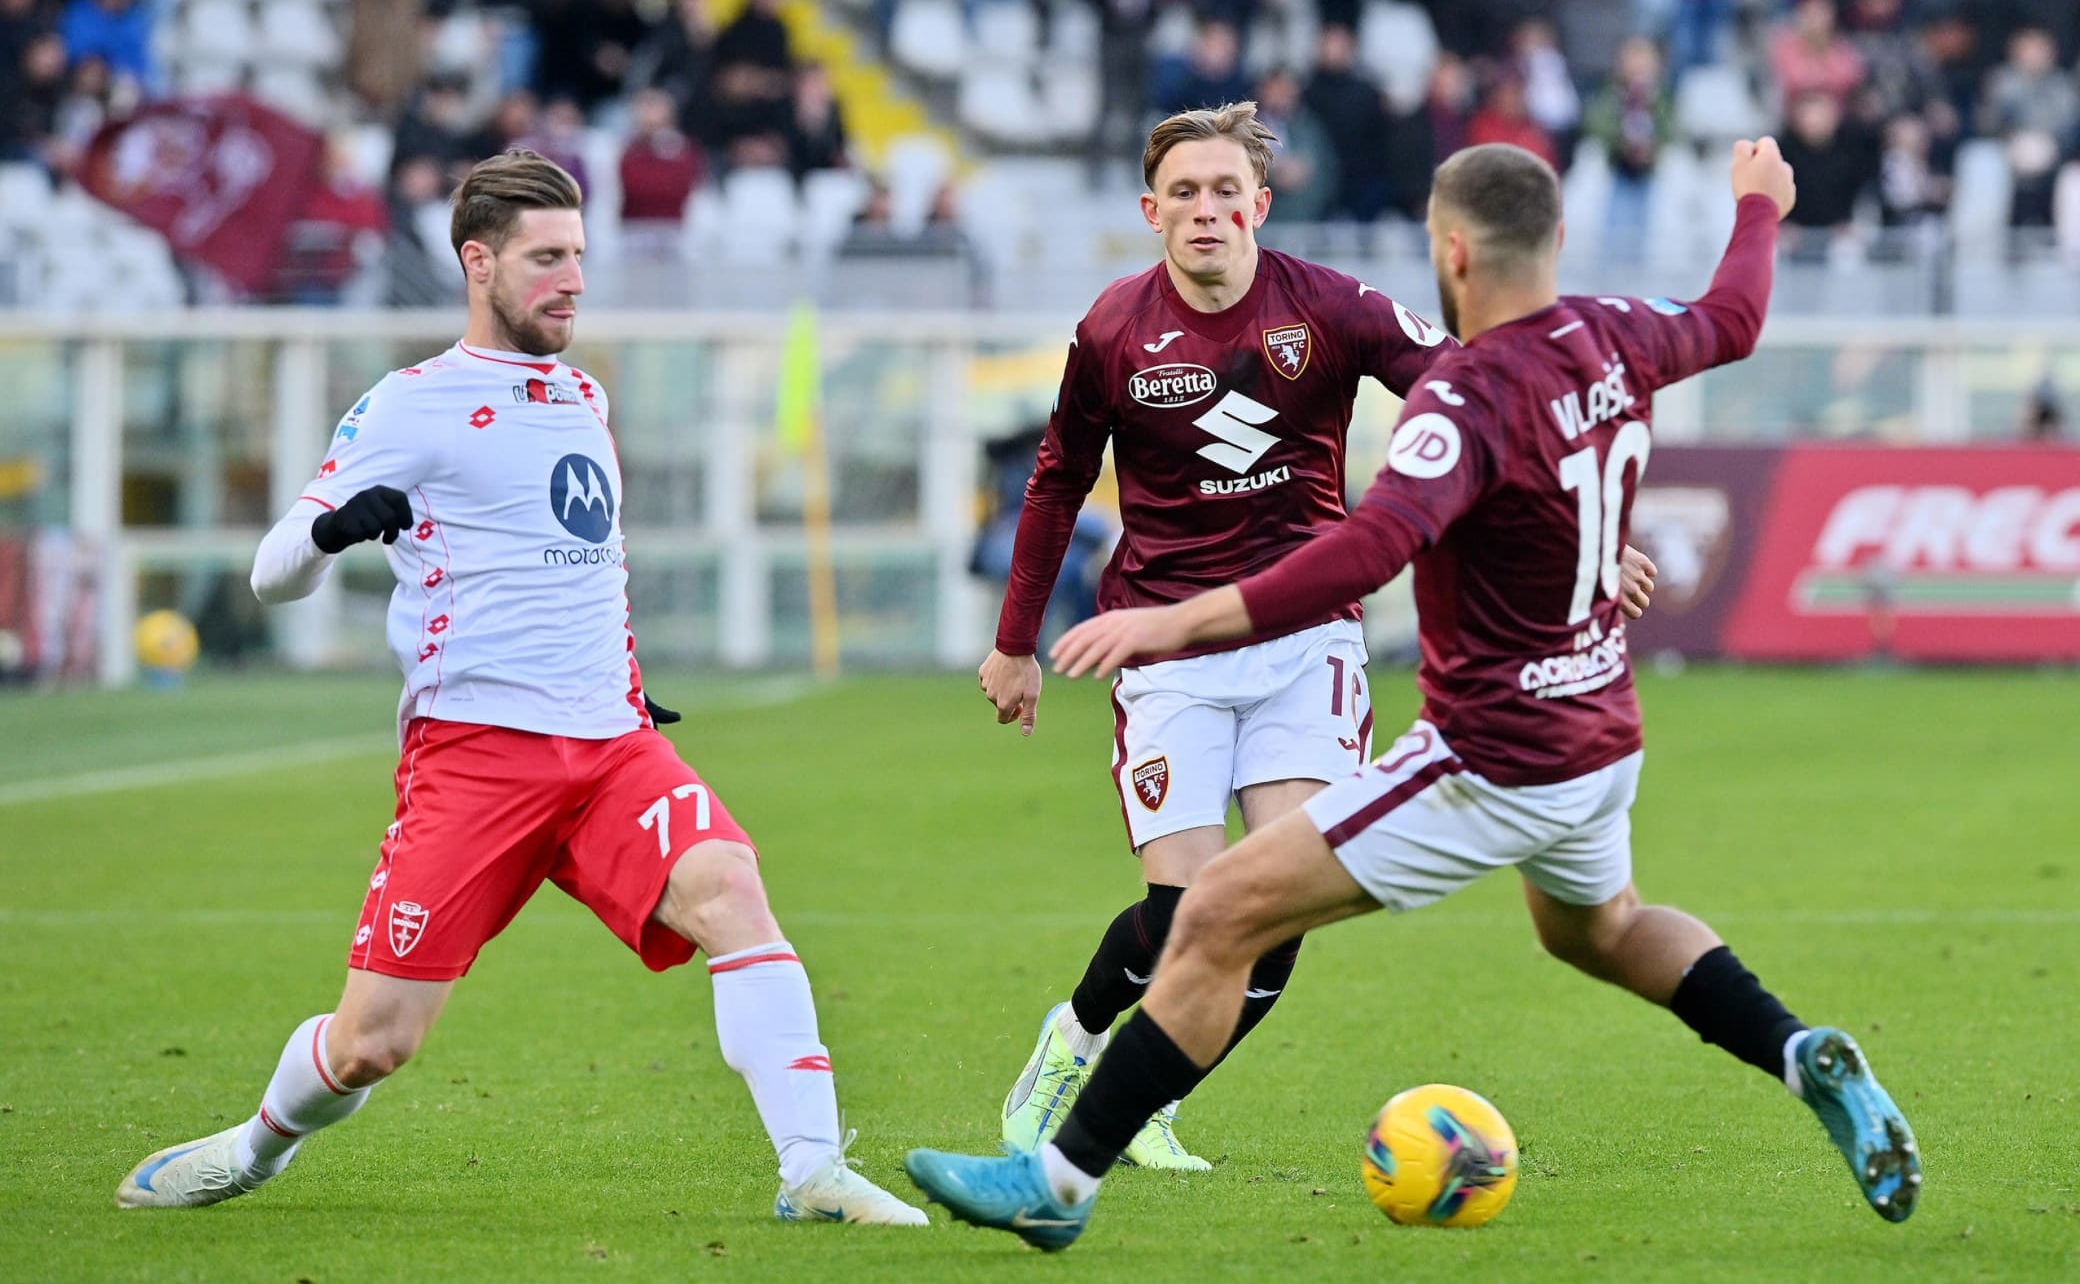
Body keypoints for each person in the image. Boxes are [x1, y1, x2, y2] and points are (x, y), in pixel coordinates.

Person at [911, 139, 1922, 1250]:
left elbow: (1362, 554)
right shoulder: (1617, 333)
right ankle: (1797, 1048)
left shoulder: (1461, 403)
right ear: (1557, 242)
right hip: (1599, 735)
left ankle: (1056, 1182)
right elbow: (1732, 316)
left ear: (1449, 252)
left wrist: (1171, 619)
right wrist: (1756, 209)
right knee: (1605, 929)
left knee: (1213, 913)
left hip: (1488, 759)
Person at [114, 150, 927, 1228]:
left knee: (731, 892)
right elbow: (269, 574)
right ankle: (255, 1147)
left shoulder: (582, 393)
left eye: (579, 258)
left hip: (610, 751)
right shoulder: (410, 405)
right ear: (478, 261)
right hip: (476, 761)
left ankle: (812, 1171)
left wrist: (622, 681)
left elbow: (585, 563)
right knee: (374, 1045)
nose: (571, 280)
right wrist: (329, 530)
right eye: (546, 259)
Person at [977, 101, 1655, 1171]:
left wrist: (1573, 527)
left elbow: (1476, 396)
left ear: (1260, 203)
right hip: (1165, 645)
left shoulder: (1332, 308)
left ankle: (1148, 1096)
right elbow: (1057, 478)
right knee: (1183, 910)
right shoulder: (1112, 329)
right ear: (1151, 212)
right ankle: (1074, 1041)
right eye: (1184, 194)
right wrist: (1016, 643)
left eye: (1223, 192)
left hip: (1308, 642)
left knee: (1272, 921)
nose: (1206, 211)